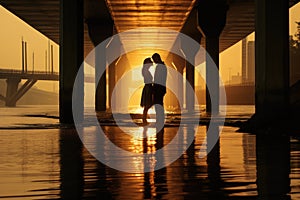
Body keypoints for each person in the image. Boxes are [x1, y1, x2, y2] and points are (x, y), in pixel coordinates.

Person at [152, 53, 167, 129]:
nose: (154, 62)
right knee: (159, 104)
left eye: (154, 60)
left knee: (158, 105)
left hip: (159, 88)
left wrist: (154, 88)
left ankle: (159, 121)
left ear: (157, 58)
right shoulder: (163, 66)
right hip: (161, 88)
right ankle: (160, 121)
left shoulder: (160, 67)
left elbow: (158, 78)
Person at [140, 58, 154, 124]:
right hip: (148, 87)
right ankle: (144, 119)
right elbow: (148, 79)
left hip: (148, 87)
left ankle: (144, 119)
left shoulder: (145, 70)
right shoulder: (145, 70)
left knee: (147, 105)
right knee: (147, 105)